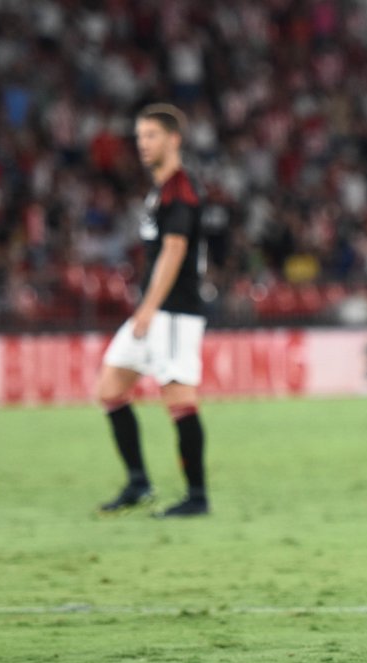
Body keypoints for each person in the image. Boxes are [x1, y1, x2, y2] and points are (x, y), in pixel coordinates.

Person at [95, 103, 209, 517]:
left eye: (152, 136)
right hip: (154, 311)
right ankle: (139, 483)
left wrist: (148, 307)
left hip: (174, 312)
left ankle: (197, 497)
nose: (143, 144)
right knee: (109, 387)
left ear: (173, 139)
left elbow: (175, 250)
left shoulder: (181, 189)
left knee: (178, 397)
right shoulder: (160, 190)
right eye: (140, 136)